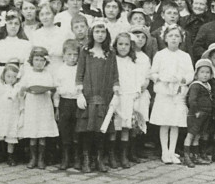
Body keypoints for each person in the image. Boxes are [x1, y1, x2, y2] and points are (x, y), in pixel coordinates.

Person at [76, 20, 120, 173]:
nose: (100, 35)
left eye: (103, 32)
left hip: (104, 95)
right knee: (88, 130)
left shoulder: (110, 53)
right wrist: (80, 93)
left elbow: (115, 74)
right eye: (97, 32)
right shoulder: (85, 51)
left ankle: (99, 158)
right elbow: (79, 74)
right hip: (89, 94)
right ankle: (86, 158)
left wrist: (115, 93)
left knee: (102, 129)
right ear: (92, 33)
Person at [149, 24, 194, 165]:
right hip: (164, 92)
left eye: (177, 36)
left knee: (175, 123)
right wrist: (161, 78)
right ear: (165, 38)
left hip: (178, 93)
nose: (174, 39)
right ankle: (164, 152)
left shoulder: (185, 56)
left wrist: (182, 80)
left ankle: (172, 151)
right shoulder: (160, 55)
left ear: (181, 39)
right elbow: (152, 73)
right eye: (171, 36)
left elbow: (190, 74)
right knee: (164, 123)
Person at [112, 32, 150, 169]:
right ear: (115, 45)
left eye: (126, 44)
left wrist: (136, 93)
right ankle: (112, 155)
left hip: (129, 96)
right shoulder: (112, 59)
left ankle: (124, 155)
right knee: (114, 127)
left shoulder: (133, 61)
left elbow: (137, 80)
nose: (123, 47)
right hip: (116, 96)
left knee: (126, 127)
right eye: (120, 44)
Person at [53, 40, 81, 170]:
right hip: (64, 102)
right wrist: (57, 107)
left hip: (77, 102)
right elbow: (57, 90)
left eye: (75, 55)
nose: (72, 58)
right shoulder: (60, 70)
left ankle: (76, 157)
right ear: (63, 55)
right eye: (69, 54)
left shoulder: (80, 69)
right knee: (65, 129)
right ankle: (65, 157)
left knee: (77, 129)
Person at [183, 59, 213, 167]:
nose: (205, 75)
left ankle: (195, 156)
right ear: (196, 74)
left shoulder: (207, 85)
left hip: (205, 115)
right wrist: (195, 111)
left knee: (198, 135)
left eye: (207, 72)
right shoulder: (195, 85)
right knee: (191, 134)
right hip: (196, 114)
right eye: (202, 72)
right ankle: (186, 156)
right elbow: (192, 100)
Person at [0, 9, 32, 83]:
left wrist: (21, 84)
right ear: (5, 25)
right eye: (10, 23)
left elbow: (27, 67)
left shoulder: (26, 44)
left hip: (20, 80)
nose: (13, 26)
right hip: (1, 80)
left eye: (16, 24)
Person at [31, 4, 72, 68]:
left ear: (54, 14)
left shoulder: (64, 33)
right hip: (41, 69)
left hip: (59, 68)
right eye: (42, 15)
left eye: (48, 13)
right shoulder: (35, 34)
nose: (45, 17)